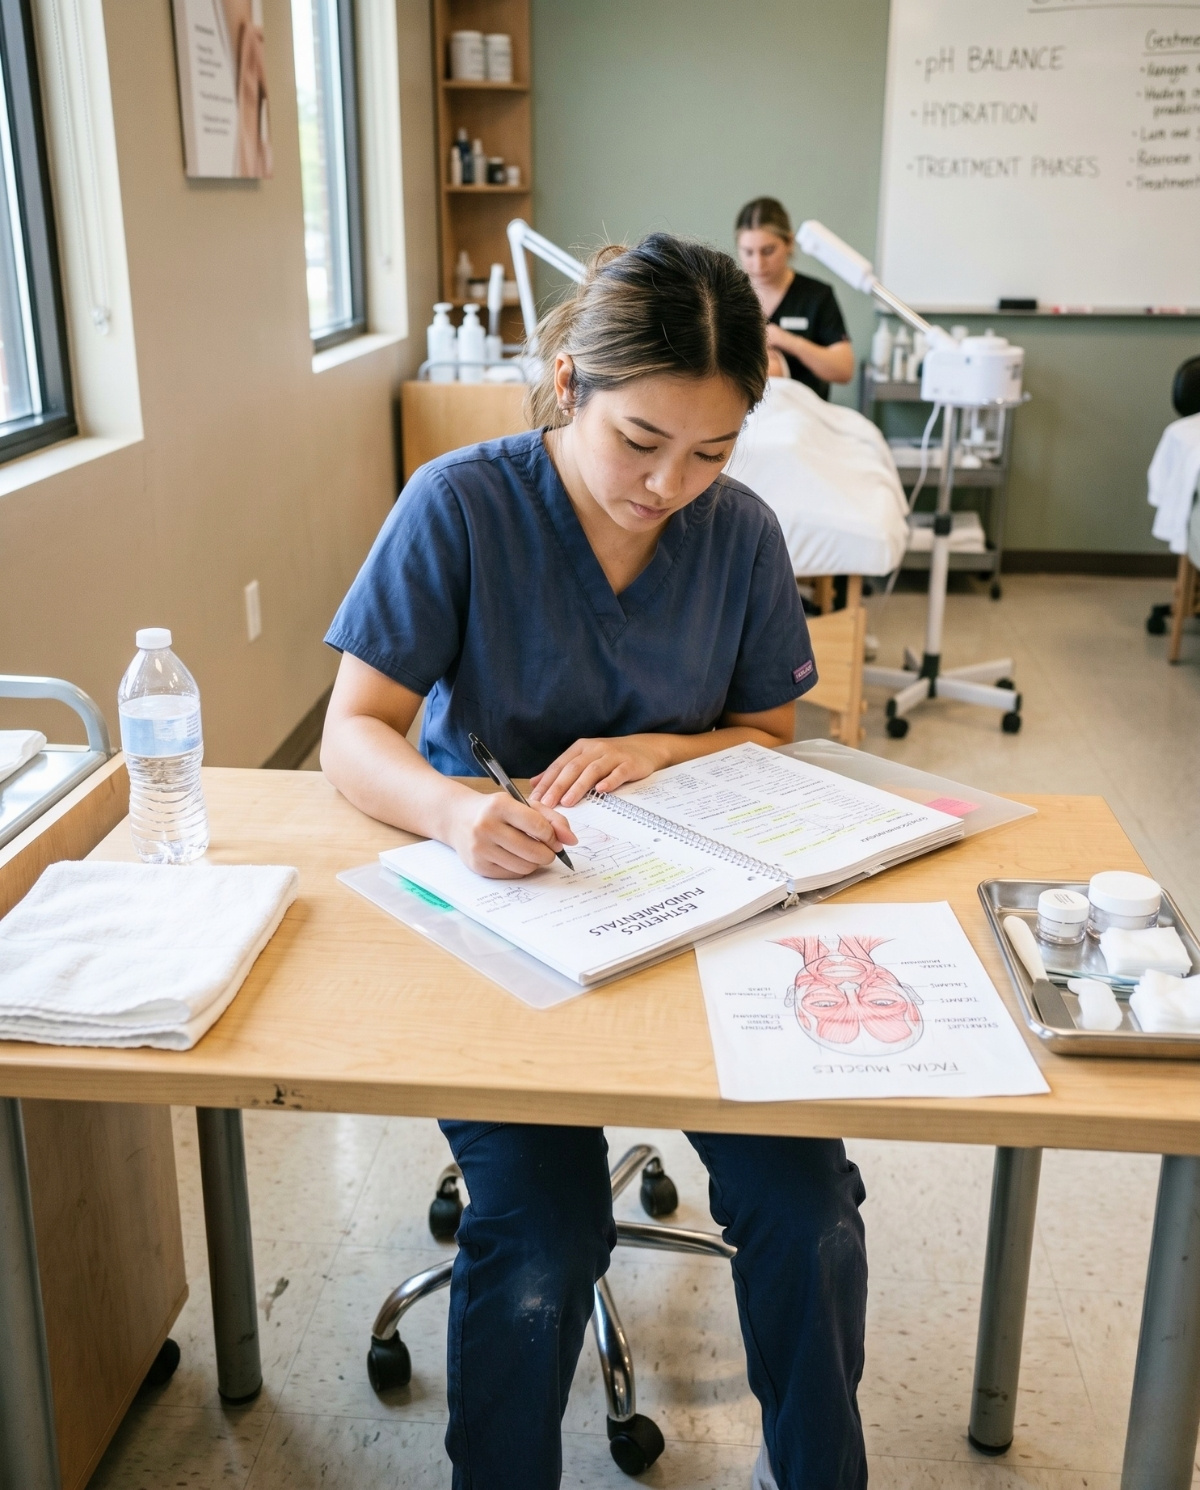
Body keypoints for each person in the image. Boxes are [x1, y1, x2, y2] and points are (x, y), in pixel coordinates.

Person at [320, 234, 868, 1490]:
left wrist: (666, 746)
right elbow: (353, 732)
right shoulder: (460, 504)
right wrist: (454, 812)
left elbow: (769, 735)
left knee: (808, 1209)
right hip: (508, 920)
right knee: (539, 1228)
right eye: (641, 441)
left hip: (700, 926)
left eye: (712, 452)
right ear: (568, 382)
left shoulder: (737, 536)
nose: (670, 484)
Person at [736, 197, 854, 399]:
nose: (758, 263)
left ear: (789, 242)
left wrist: (789, 341)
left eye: (768, 251)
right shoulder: (730, 294)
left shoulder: (816, 296)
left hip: (803, 413)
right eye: (748, 252)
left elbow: (844, 370)